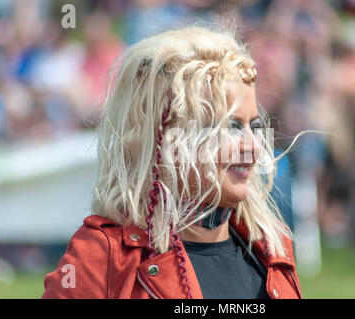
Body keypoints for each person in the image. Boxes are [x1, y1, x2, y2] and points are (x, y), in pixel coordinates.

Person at [42, 25, 303, 299]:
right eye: (231, 127)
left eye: (255, 126)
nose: (253, 145)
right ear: (168, 140)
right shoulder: (102, 257)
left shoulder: (273, 249)